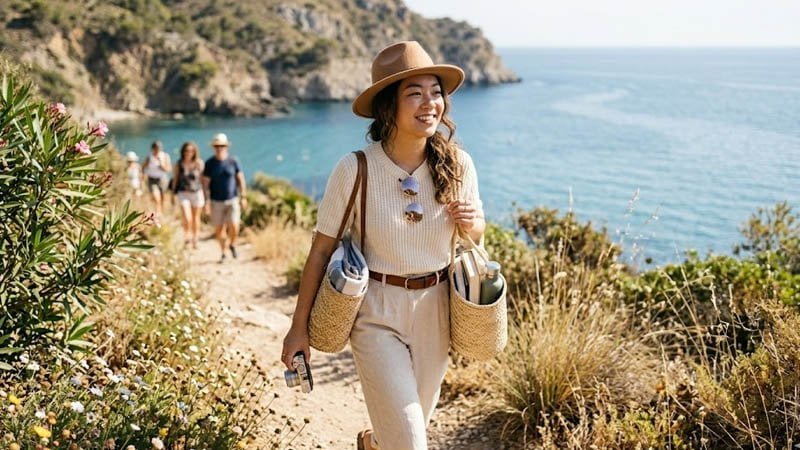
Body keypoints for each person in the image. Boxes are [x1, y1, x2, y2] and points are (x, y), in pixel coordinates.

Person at [280, 41, 485, 450]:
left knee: (404, 433)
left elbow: (473, 238)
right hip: (375, 314)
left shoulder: (458, 164)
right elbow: (321, 251)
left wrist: (475, 226)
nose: (431, 103)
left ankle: (372, 443)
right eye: (415, 93)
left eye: (435, 91)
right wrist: (297, 328)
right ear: (388, 106)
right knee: (411, 442)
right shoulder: (355, 168)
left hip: (437, 311)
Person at [202, 133, 247, 262]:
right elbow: (205, 185)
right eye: (217, 146)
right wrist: (206, 202)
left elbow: (241, 180)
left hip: (233, 199)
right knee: (219, 229)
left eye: (221, 145)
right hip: (216, 202)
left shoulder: (234, 161)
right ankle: (223, 252)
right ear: (213, 147)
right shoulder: (210, 163)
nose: (219, 148)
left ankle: (232, 244)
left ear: (226, 146)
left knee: (234, 226)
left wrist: (243, 197)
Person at [171, 141, 205, 249]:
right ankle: (187, 235)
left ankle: (195, 238)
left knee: (196, 217)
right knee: (187, 217)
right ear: (183, 152)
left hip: (197, 193)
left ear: (194, 152)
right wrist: (173, 193)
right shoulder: (179, 164)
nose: (188, 153)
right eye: (186, 150)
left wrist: (206, 194)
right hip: (183, 193)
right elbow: (175, 179)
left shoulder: (199, 163)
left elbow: (203, 180)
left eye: (191, 150)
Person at [142, 140, 172, 217]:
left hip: (162, 179)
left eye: (158, 148)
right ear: (152, 148)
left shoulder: (165, 156)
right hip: (152, 179)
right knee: (156, 196)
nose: (156, 150)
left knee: (162, 196)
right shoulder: (149, 157)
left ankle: (161, 211)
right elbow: (143, 166)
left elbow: (168, 169)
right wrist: (143, 174)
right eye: (155, 148)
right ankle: (158, 211)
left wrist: (161, 164)